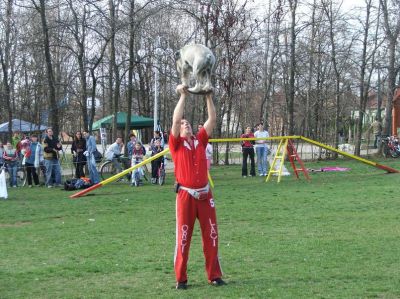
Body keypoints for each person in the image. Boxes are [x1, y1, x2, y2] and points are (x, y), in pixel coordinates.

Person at [169, 85, 225, 290]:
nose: (185, 125)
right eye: (182, 124)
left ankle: (214, 275)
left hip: (205, 195)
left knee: (211, 235)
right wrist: (183, 96)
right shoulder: (175, 144)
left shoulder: (200, 141)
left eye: (187, 123)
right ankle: (181, 279)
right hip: (185, 195)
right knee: (183, 237)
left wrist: (209, 97)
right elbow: (175, 120)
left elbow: (212, 120)